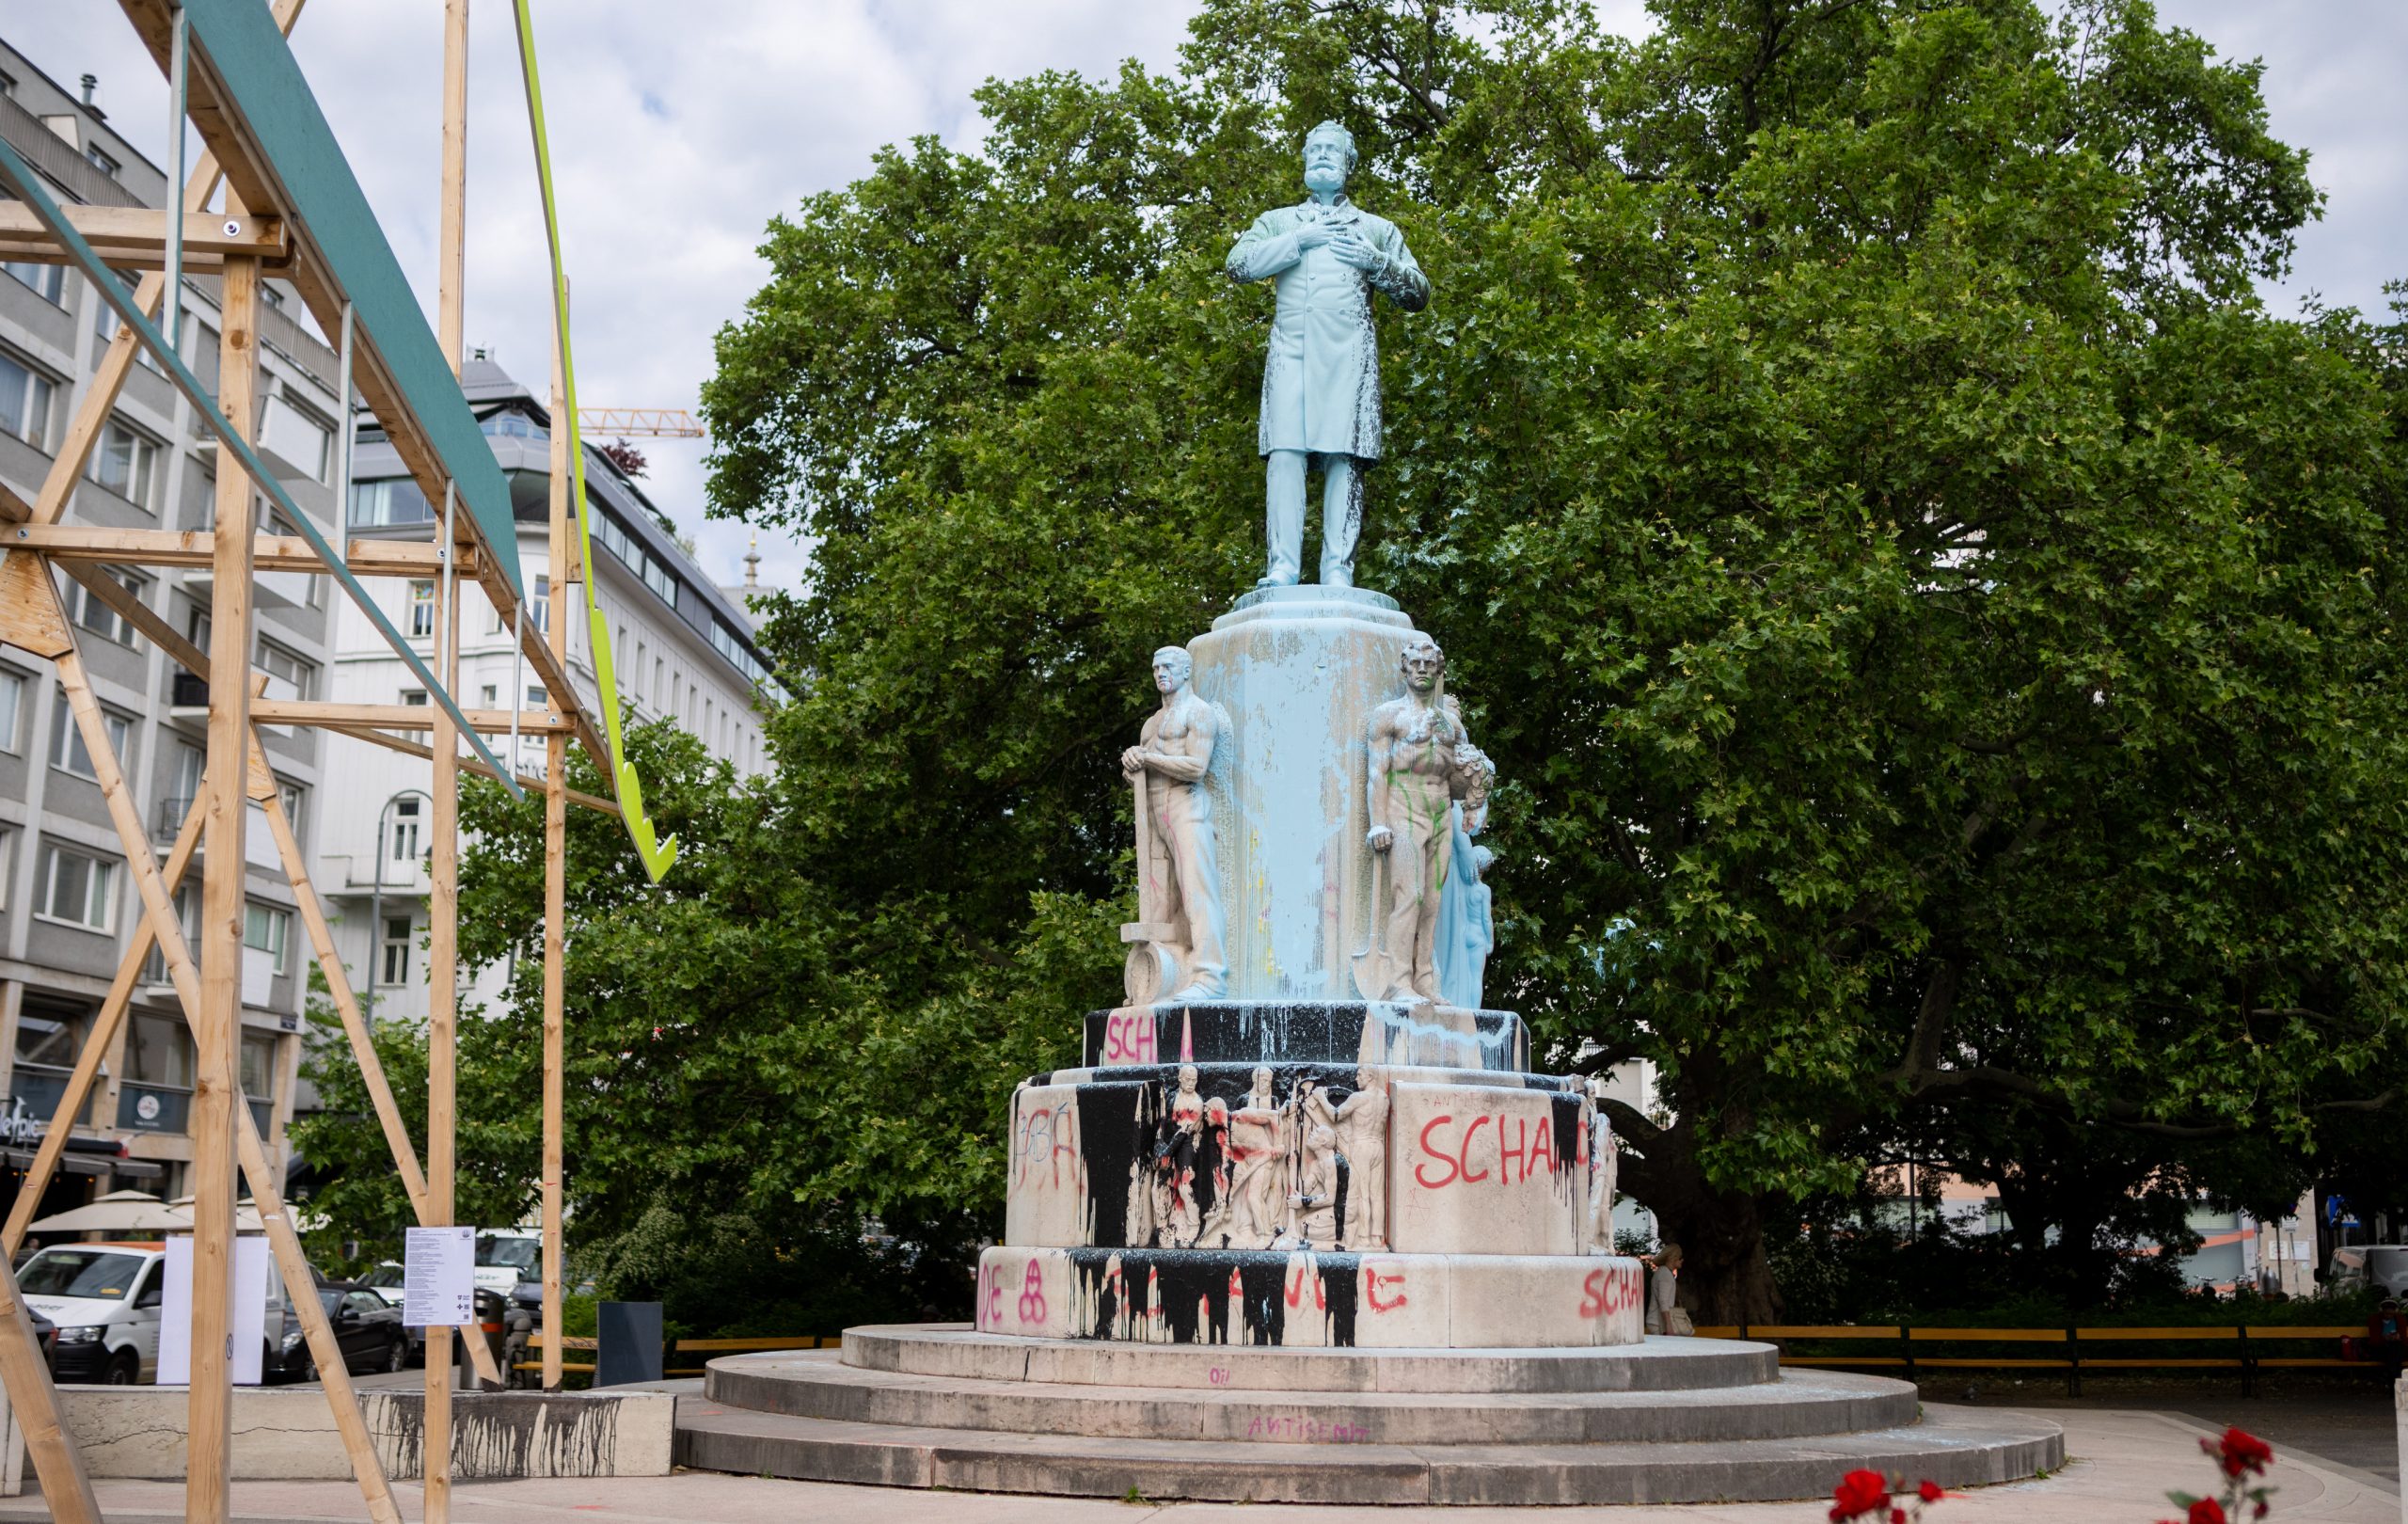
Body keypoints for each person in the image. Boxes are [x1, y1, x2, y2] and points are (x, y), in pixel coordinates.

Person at [1226, 119, 1430, 589]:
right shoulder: (1279, 221)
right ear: (1302, 160)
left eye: (1331, 150)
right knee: (1285, 454)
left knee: (1346, 454)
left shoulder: (1375, 229)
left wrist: (1374, 261)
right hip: (1290, 351)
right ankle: (1282, 567)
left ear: (1348, 165)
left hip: (1349, 356)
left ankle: (1338, 569)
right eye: (1312, 148)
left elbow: (1418, 293)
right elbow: (1238, 265)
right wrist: (1299, 241)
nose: (1320, 155)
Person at [1361, 636, 1493, 1003]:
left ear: (1438, 670)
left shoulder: (1451, 724)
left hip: (1439, 813)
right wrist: (1377, 821)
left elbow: (1468, 771)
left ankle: (1424, 981)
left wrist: (1475, 803)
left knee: (1432, 902)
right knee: (1410, 896)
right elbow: (1378, 772)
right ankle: (1398, 982)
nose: (1422, 670)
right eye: (1415, 664)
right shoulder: (1389, 716)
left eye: (1429, 665)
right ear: (1404, 668)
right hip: (1404, 809)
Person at [1122, 647, 1227, 999]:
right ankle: (1170, 973)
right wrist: (1132, 766)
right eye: (1155, 668)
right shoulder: (1151, 723)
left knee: (1198, 892)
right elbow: (1144, 769)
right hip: (1154, 812)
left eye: (1168, 667)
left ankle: (1210, 977)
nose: (1160, 673)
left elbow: (1197, 767)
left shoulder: (1199, 713)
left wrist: (1148, 758)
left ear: (1186, 671)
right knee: (1161, 899)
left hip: (1186, 806)